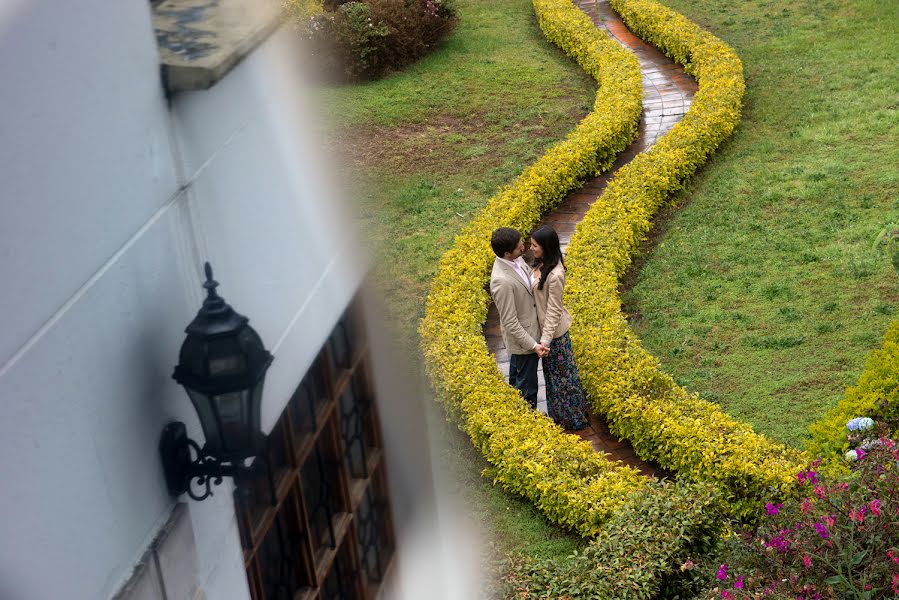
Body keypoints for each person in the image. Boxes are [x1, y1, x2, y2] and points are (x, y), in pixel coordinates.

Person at [529, 225, 589, 430]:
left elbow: (554, 311)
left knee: (564, 381)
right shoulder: (539, 263)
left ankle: (572, 419)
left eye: (535, 245)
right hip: (545, 334)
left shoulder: (555, 274)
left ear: (546, 247)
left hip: (555, 336)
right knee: (553, 380)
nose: (531, 248)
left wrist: (545, 341)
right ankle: (558, 417)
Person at [490, 227, 548, 408]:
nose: (524, 247)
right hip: (524, 341)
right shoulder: (502, 281)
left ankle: (515, 411)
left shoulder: (515, 260)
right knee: (527, 389)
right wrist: (533, 344)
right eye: (519, 246)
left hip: (527, 335)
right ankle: (528, 421)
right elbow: (510, 321)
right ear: (507, 253)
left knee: (517, 380)